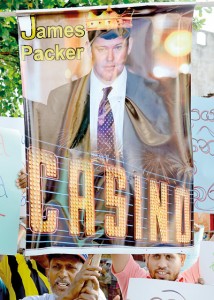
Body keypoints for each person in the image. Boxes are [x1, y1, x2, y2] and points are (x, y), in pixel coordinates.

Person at [25, 26, 171, 249]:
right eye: (102, 49)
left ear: (129, 46)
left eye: (118, 48)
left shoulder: (153, 98)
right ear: (89, 49)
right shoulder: (61, 97)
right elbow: (47, 153)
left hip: (131, 212)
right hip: (75, 211)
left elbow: (166, 158)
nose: (110, 58)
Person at [111, 253, 203, 300]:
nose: (162, 265)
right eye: (156, 256)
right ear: (147, 258)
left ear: (182, 259)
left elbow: (210, 249)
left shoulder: (193, 281)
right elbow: (117, 240)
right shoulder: (134, 278)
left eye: (169, 257)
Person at [22, 254, 106, 300]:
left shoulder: (95, 296)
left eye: (71, 267)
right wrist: (68, 296)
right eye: (56, 267)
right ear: (47, 274)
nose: (62, 274)